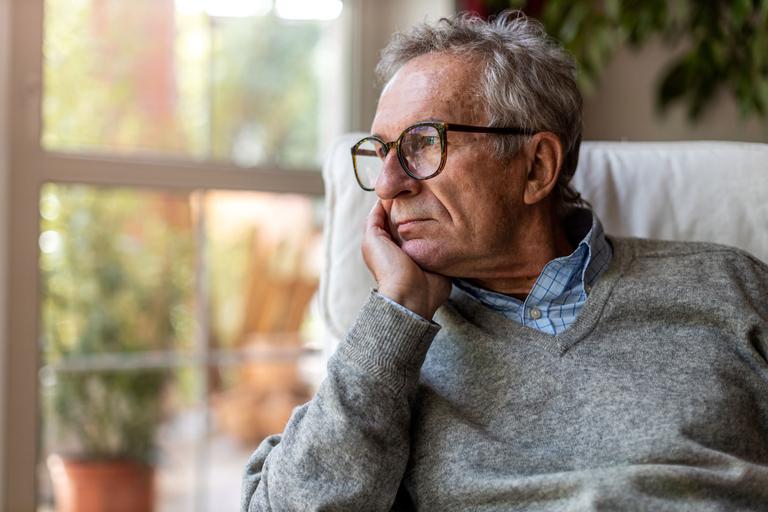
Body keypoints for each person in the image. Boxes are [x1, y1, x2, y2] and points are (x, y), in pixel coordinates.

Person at [242, 11, 768, 511]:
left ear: (537, 167)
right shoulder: (387, 355)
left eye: (423, 144)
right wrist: (397, 309)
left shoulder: (728, 284)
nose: (387, 184)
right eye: (380, 152)